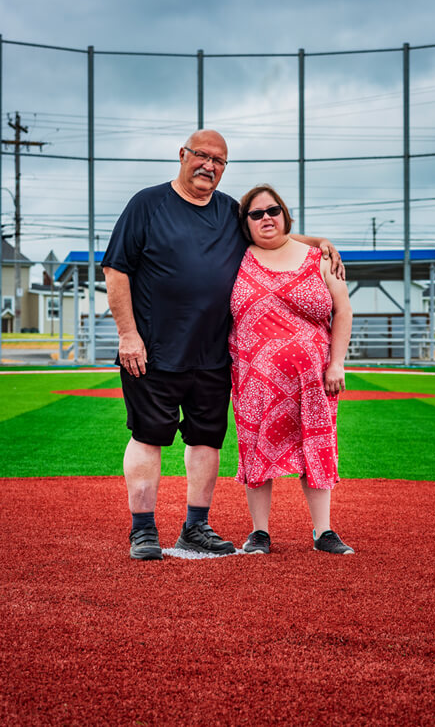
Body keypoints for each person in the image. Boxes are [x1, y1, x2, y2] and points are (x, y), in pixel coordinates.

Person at [104, 130, 342, 561]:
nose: (209, 166)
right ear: (183, 155)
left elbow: (269, 233)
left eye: (219, 161)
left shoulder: (229, 211)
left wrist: (319, 241)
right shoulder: (147, 204)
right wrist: (128, 335)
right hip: (154, 351)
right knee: (147, 436)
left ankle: (195, 526)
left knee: (206, 441)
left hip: (214, 354)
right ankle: (143, 530)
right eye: (201, 156)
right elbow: (116, 270)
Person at [230, 184, 355, 556]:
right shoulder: (235, 255)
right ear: (245, 223)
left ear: (285, 214)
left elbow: (343, 310)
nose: (266, 218)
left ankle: (324, 532)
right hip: (254, 379)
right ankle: (260, 533)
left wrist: (336, 363)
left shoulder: (318, 257)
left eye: (273, 210)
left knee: (316, 447)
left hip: (313, 377)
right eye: (256, 214)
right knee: (255, 449)